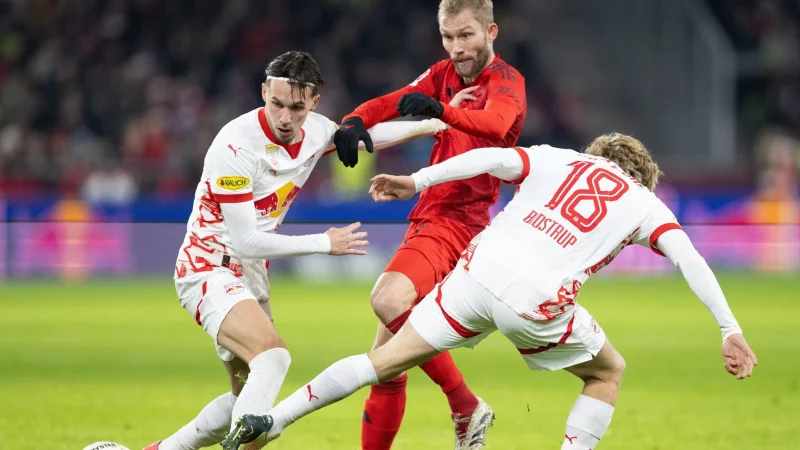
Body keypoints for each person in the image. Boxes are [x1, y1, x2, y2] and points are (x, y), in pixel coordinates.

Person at [223, 133, 758, 450]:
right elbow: (691, 258)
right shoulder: (644, 202)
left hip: (477, 271)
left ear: (596, 153)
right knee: (607, 372)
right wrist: (729, 329)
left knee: (384, 359)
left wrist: (417, 179)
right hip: (536, 299)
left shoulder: (559, 157)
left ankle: (274, 418)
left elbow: (491, 159)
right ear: (642, 175)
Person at [144, 50, 448, 450]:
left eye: (297, 108)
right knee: (274, 358)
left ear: (314, 103)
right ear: (264, 91)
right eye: (277, 104)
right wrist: (324, 243)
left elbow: (367, 136)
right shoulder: (234, 148)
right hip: (208, 267)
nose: (285, 118)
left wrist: (438, 122)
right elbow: (244, 240)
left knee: (244, 400)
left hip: (250, 275)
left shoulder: (318, 130)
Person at [332, 1, 526, 447]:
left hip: (458, 219)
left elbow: (495, 126)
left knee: (386, 299)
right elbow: (391, 102)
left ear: (491, 31)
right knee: (385, 363)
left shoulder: (507, 83)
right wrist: (353, 121)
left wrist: (440, 112)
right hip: (431, 215)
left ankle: (465, 403)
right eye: (447, 37)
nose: (456, 48)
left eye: (466, 36)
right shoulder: (443, 74)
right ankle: (462, 409)